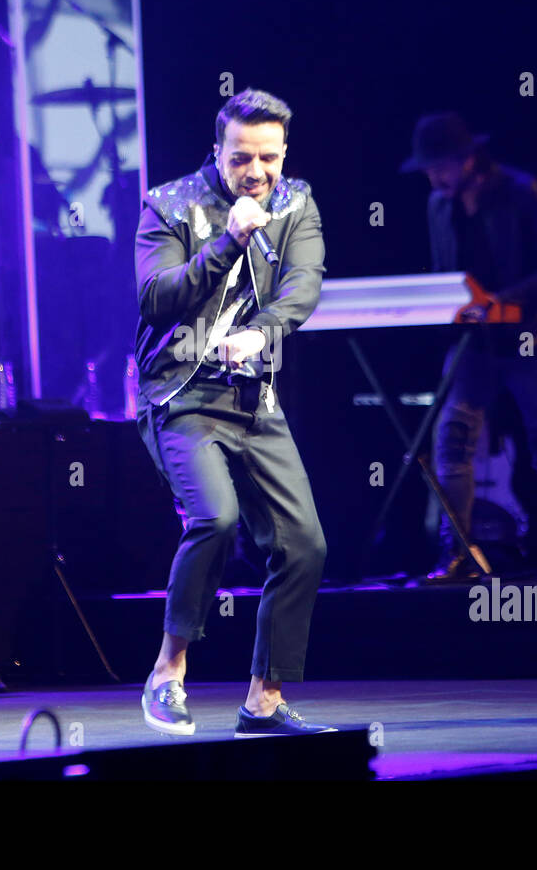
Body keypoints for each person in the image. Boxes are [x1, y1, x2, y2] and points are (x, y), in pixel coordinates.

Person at [133, 88, 332, 737]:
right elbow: (157, 297)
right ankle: (168, 673)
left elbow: (304, 284)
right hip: (181, 392)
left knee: (303, 543)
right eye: (242, 157)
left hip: (254, 395)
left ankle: (264, 701)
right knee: (214, 519)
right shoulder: (168, 203)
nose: (257, 172)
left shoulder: (296, 202)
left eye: (268, 157)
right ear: (217, 151)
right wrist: (225, 242)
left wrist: (262, 333)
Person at [402, 112, 537, 574]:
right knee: (452, 441)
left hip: (531, 339)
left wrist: (499, 301)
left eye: (440, 166)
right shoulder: (439, 205)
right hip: (475, 344)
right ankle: (455, 554)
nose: (433, 177)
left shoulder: (521, 192)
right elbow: (447, 273)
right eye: (429, 168)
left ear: (468, 159)